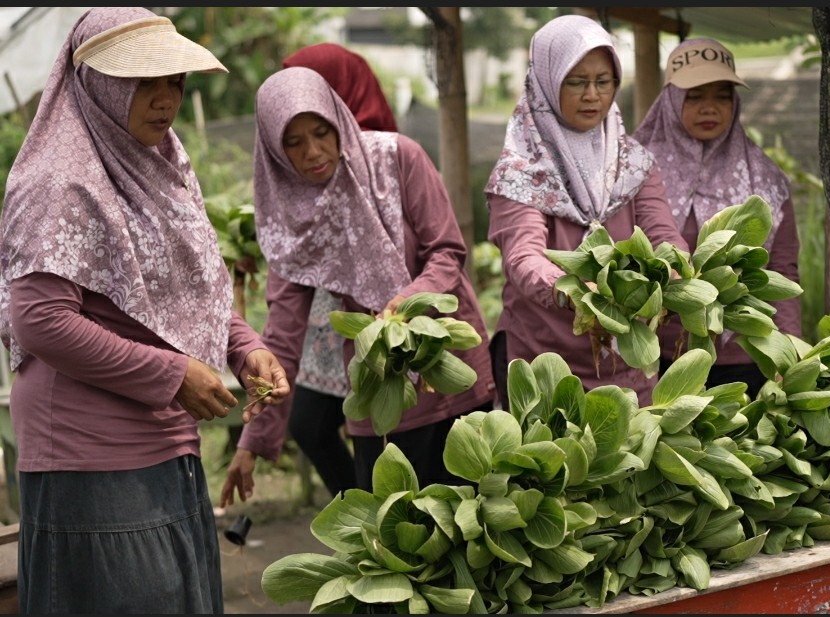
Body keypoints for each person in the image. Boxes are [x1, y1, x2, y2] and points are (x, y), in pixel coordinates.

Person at [0, 7, 290, 614]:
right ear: (98, 85)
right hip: (89, 450)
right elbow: (40, 319)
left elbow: (187, 291)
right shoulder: (60, 180)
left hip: (164, 439)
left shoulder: (158, 164)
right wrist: (173, 374)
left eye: (175, 82)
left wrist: (245, 348)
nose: (165, 101)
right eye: (145, 84)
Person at [220, 65, 495, 503]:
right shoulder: (291, 218)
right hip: (382, 386)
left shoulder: (397, 158)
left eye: (321, 132)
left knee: (472, 526)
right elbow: (283, 337)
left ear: (338, 121)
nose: (313, 152)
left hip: (449, 361)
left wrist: (401, 310)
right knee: (396, 538)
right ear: (274, 151)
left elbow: (446, 251)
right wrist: (252, 442)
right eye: (293, 143)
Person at [485, 14, 689, 408]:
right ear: (546, 81)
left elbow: (662, 230)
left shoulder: (633, 162)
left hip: (625, 353)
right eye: (576, 82)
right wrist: (573, 293)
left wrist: (677, 268)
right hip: (541, 361)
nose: (592, 95)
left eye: (604, 81)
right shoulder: (521, 171)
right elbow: (523, 256)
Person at [633, 37, 802, 398]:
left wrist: (788, 353)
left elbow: (783, 271)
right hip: (655, 356)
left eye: (722, 95)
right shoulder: (633, 171)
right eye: (694, 96)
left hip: (742, 356)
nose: (709, 107)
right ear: (671, 100)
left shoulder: (765, 179)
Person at [270, 43, 402, 499]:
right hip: (325, 319)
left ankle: (374, 522)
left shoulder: (386, 155)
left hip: (379, 316)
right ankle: (360, 515)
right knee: (310, 423)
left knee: (375, 430)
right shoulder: (304, 157)